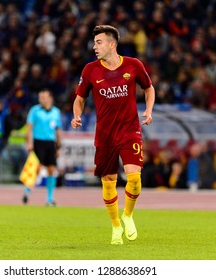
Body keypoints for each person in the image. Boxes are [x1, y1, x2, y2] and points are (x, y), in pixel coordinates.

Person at [71, 25, 155, 245]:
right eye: (94, 42)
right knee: (108, 182)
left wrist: (148, 109)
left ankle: (128, 215)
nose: (94, 46)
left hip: (129, 130)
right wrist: (76, 115)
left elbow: (149, 88)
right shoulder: (90, 70)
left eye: (98, 42)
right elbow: (79, 98)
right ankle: (116, 225)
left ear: (111, 44)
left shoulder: (133, 65)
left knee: (134, 179)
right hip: (105, 135)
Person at [22, 89, 62, 206]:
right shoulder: (34, 110)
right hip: (38, 141)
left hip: (50, 142)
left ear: (50, 98)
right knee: (36, 168)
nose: (41, 99)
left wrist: (58, 146)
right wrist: (29, 143)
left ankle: (49, 199)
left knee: (51, 169)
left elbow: (57, 130)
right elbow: (29, 128)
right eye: (40, 97)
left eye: (43, 97)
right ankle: (27, 191)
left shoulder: (56, 112)